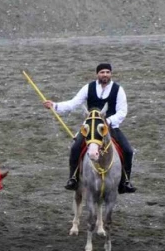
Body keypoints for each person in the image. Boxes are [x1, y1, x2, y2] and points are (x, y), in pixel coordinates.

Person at [43, 63, 137, 193]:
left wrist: (108, 121)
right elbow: (74, 103)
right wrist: (55, 105)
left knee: (128, 151)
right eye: (102, 72)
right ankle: (73, 178)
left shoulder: (118, 89)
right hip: (91, 127)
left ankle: (125, 181)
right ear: (97, 74)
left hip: (109, 127)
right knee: (75, 148)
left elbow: (122, 111)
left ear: (111, 74)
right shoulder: (89, 87)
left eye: (107, 72)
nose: (105, 74)